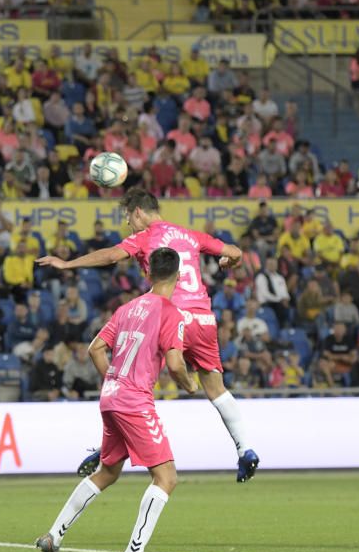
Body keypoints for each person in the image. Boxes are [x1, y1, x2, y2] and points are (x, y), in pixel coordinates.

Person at [37, 188, 260, 482]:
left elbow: (111, 256)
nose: (129, 225)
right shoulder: (191, 235)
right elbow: (236, 253)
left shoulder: (147, 237)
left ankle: (108, 448)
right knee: (217, 389)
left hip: (169, 315)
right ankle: (246, 449)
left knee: (128, 374)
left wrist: (68, 264)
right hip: (203, 319)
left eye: (128, 218)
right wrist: (229, 263)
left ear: (138, 212)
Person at [36, 248, 197, 552]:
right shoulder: (171, 313)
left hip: (110, 396)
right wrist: (190, 385)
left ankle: (53, 536)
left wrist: (114, 378)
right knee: (166, 477)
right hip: (134, 400)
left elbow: (95, 348)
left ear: (148, 274)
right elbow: (176, 364)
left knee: (107, 472)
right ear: (179, 277)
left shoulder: (127, 308)